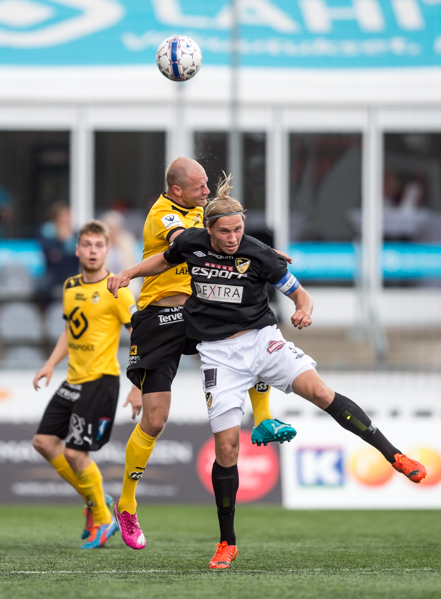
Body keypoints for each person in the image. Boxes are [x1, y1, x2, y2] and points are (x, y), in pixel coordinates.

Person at [108, 176, 426, 570]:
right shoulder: (191, 243)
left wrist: (304, 309)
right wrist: (128, 274)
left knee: (321, 393)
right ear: (207, 230)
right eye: (225, 231)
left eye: (239, 229)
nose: (233, 237)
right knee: (226, 449)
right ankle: (227, 542)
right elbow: (165, 259)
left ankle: (395, 456)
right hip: (220, 357)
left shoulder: (260, 254)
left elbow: (298, 291)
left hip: (262, 341)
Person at [111, 157, 295, 552]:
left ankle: (262, 417)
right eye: (200, 187)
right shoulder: (164, 215)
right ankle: (126, 503)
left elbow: (223, 235)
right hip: (161, 316)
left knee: (252, 331)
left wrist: (259, 251)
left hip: (199, 311)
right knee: (155, 420)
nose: (208, 192)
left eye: (208, 185)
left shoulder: (201, 212)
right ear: (176, 190)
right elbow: (185, 243)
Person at [31, 220, 141, 549]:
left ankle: (104, 521)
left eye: (99, 246)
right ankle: (97, 501)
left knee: (76, 453)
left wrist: (138, 385)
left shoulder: (117, 289)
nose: (92, 251)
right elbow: (71, 330)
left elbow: (140, 337)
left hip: (101, 381)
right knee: (43, 442)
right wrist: (51, 364)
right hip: (73, 379)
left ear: (107, 251)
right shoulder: (70, 286)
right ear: (77, 249)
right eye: (87, 245)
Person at [37, 202, 80, 305]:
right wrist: (61, 240)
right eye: (63, 215)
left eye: (68, 215)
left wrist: (61, 254)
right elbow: (51, 255)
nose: (67, 218)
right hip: (52, 272)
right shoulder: (46, 232)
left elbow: (78, 257)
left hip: (71, 271)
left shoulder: (76, 234)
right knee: (43, 288)